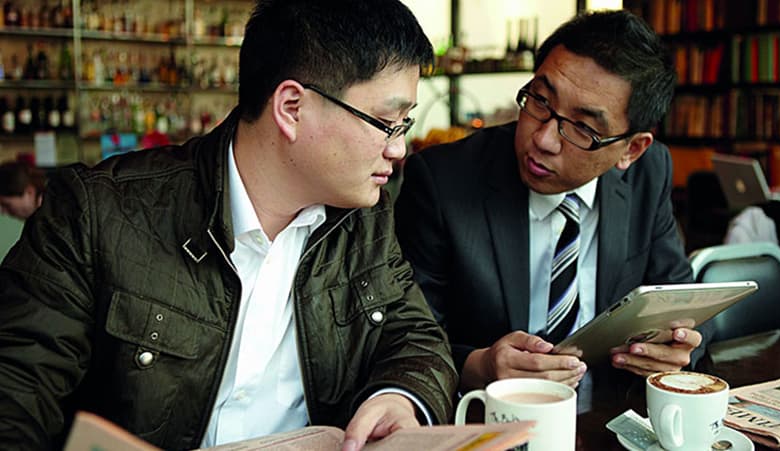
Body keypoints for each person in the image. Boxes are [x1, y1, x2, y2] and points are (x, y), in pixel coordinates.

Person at [0, 1, 457, 449]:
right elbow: (16, 394)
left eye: (405, 123)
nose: (398, 149)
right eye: (384, 122)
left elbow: (415, 336)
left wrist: (400, 396)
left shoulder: (364, 219)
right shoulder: (98, 213)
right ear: (292, 108)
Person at [394, 10, 706, 394]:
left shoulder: (649, 172)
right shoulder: (444, 180)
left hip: (607, 421)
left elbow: (677, 302)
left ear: (632, 149)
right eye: (540, 100)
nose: (543, 139)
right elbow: (404, 342)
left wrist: (677, 347)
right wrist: (481, 365)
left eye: (583, 128)